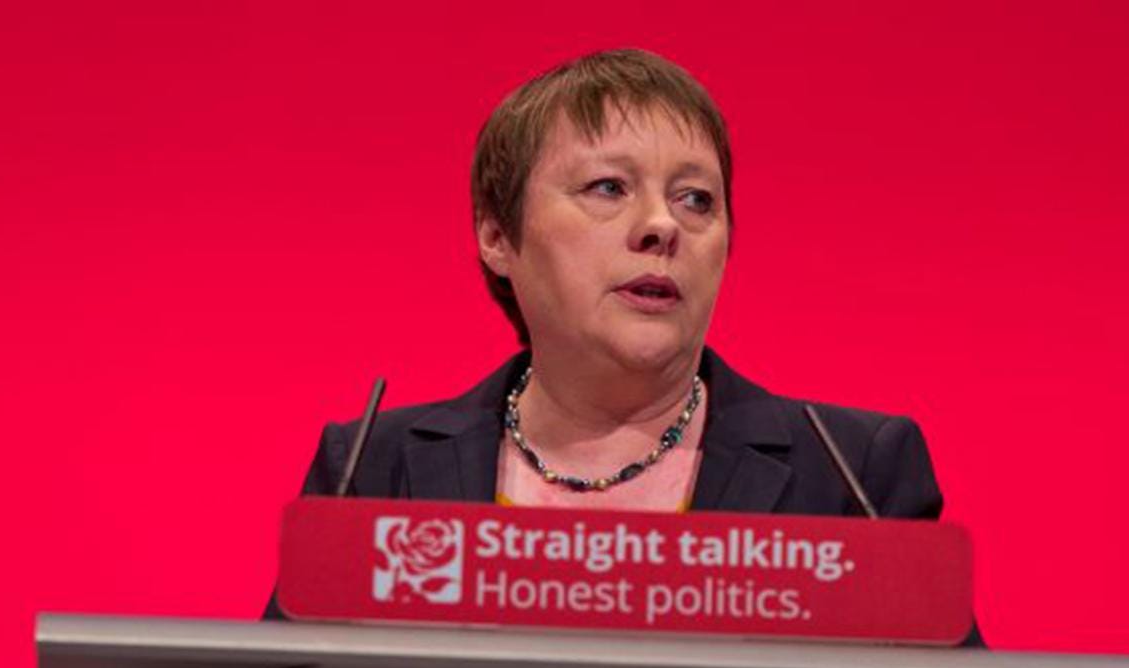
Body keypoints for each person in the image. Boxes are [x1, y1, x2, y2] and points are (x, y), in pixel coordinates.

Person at [267, 48, 960, 626]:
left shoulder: (851, 478)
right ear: (498, 236)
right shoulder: (371, 473)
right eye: (608, 187)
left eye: (696, 199)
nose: (662, 225)